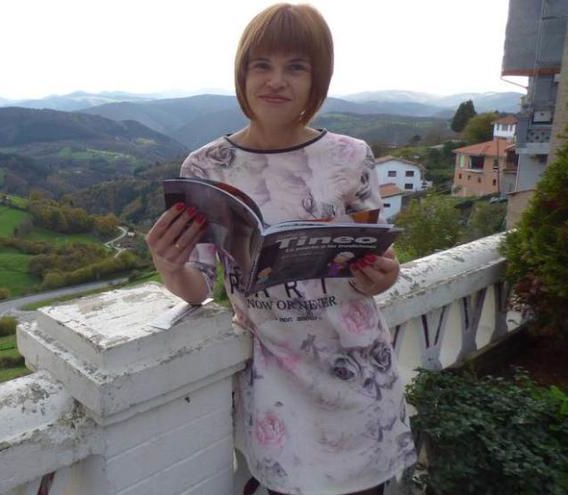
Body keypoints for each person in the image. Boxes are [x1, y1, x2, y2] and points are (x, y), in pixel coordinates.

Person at [145, 4, 417, 495]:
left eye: (297, 66)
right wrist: (168, 264)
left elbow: (374, 260)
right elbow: (197, 288)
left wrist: (384, 273)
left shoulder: (351, 156)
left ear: (318, 78)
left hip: (359, 371)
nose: (276, 80)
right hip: (277, 380)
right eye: (262, 65)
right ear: (242, 72)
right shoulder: (207, 167)